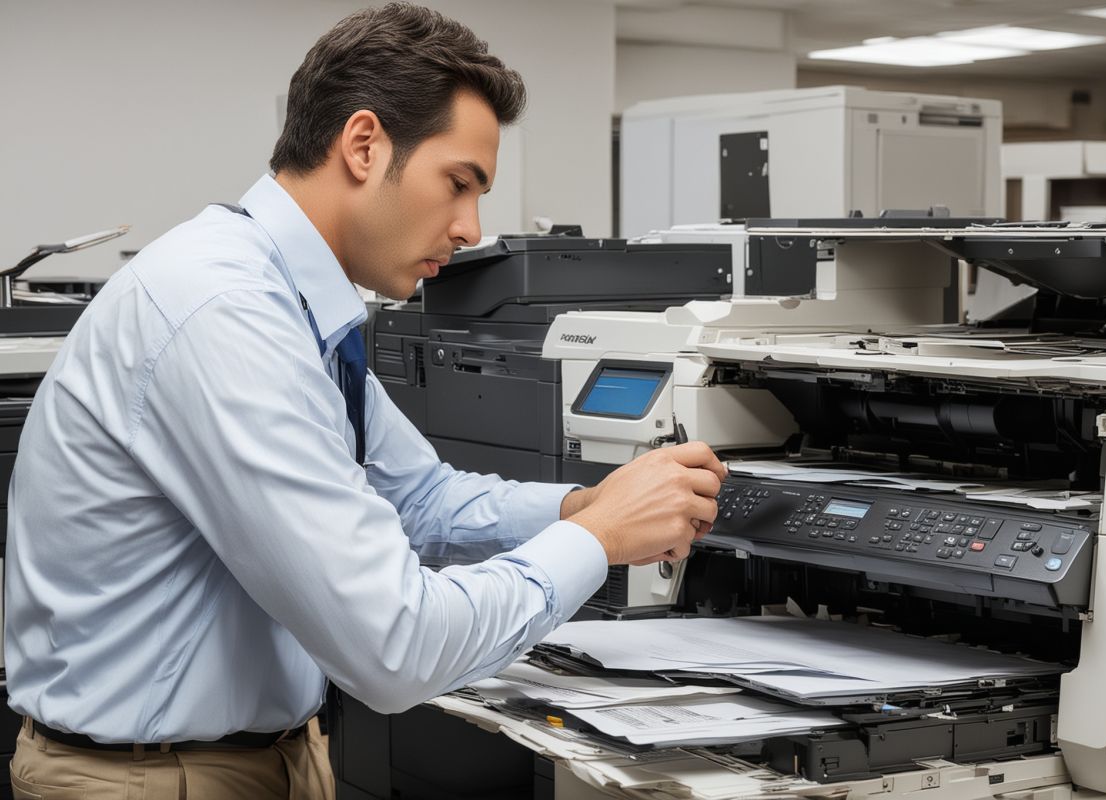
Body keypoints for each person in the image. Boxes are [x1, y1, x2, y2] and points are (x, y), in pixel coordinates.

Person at [3, 3, 724, 798]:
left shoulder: (295, 304)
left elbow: (417, 497)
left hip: (269, 755)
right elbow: (394, 648)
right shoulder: (224, 313)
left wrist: (584, 504)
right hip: (148, 780)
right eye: (459, 184)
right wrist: (597, 539)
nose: (469, 228)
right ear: (363, 144)